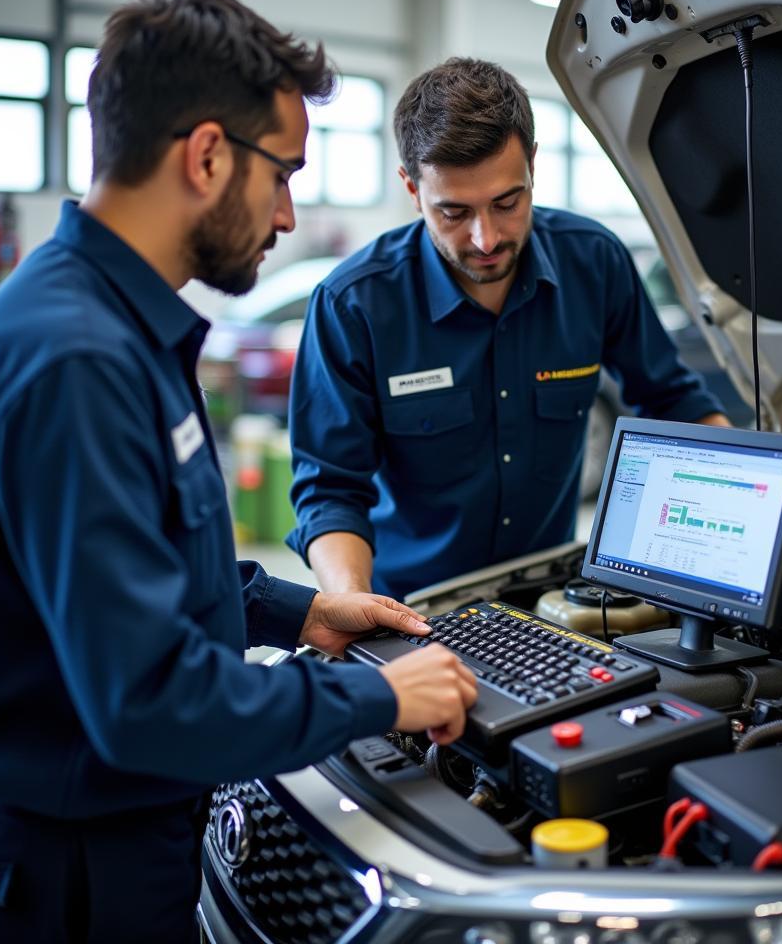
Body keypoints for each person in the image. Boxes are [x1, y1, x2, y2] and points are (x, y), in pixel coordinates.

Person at [0, 0, 476, 944]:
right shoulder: (75, 360)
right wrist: (377, 695)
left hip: (110, 837)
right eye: (282, 175)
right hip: (71, 872)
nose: (285, 216)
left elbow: (137, 577)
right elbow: (146, 700)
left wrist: (299, 610)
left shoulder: (112, 324)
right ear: (204, 156)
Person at [288, 58, 729, 602]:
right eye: (453, 212)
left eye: (507, 202)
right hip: (413, 609)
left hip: (554, 603)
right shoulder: (354, 305)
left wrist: (746, 504)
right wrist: (352, 600)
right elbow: (330, 489)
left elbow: (672, 399)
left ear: (533, 168)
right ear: (411, 188)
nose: (486, 238)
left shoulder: (593, 263)